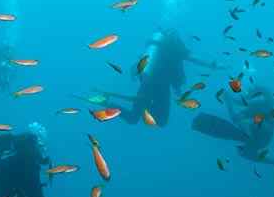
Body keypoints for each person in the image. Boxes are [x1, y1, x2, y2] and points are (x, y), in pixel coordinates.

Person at [88, 29, 223, 127]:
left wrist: (135, 76)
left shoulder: (157, 48)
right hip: (162, 88)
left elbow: (140, 64)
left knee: (133, 118)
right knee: (160, 121)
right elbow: (193, 59)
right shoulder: (177, 48)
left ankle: (106, 103)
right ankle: (111, 105)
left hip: (146, 83)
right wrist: (213, 65)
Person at [192, 85, 274, 197]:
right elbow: (239, 114)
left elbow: (238, 115)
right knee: (244, 151)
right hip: (257, 138)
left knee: (244, 142)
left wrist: (229, 101)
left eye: (250, 93)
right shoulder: (264, 103)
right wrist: (230, 100)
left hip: (260, 135)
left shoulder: (263, 105)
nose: (247, 95)